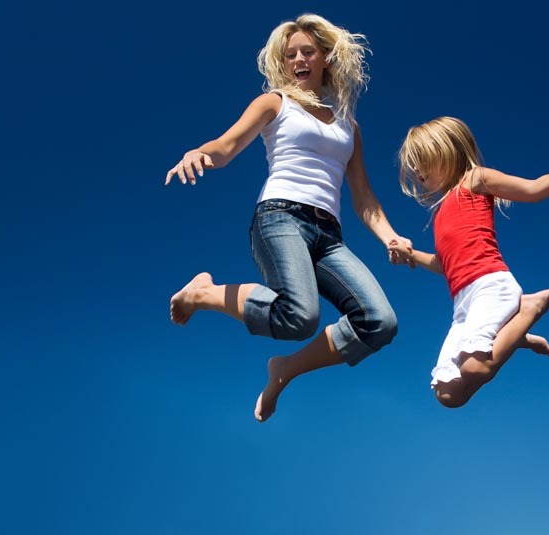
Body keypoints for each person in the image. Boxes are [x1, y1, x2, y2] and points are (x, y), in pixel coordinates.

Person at [164, 14, 412, 422]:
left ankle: (285, 369)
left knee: (379, 322)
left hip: (329, 236)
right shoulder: (275, 102)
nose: (298, 60)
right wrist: (198, 153)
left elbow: (364, 197)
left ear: (325, 58)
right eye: (290, 54)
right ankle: (202, 293)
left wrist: (390, 236)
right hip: (280, 217)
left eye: (307, 52)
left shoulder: (349, 126)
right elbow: (226, 146)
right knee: (300, 316)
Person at [389, 116, 549, 408]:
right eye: (413, 165)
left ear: (445, 152)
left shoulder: (475, 180)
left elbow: (534, 189)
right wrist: (410, 254)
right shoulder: (439, 215)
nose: (416, 170)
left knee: (475, 368)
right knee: (449, 394)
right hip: (462, 304)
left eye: (421, 160)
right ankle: (517, 336)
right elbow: (443, 264)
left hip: (490, 286)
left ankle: (531, 306)